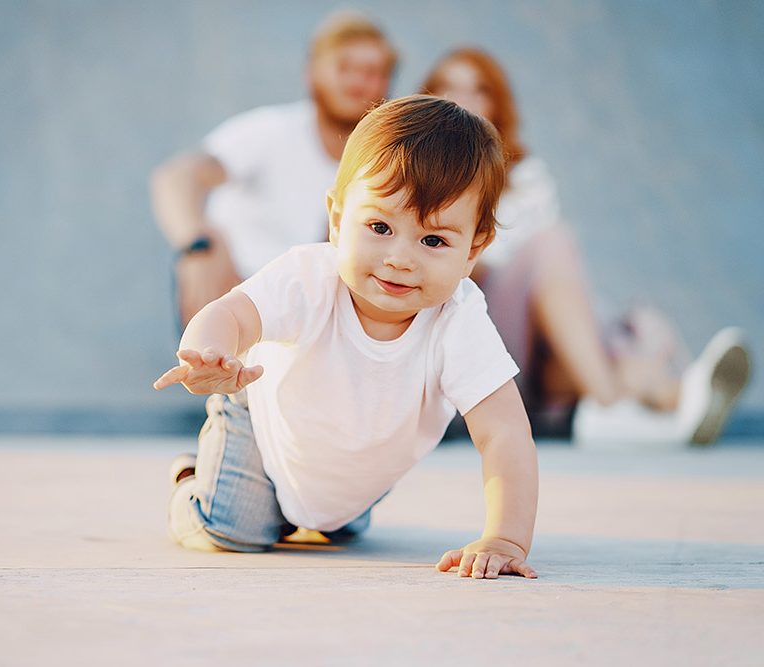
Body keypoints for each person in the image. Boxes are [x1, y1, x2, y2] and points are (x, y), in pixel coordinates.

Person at [154, 95, 539, 579]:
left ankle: (313, 512)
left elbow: (504, 432)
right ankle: (192, 484)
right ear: (337, 220)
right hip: (265, 427)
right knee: (238, 529)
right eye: (379, 226)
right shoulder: (308, 278)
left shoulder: (458, 320)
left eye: (434, 240)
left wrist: (505, 537)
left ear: (473, 251)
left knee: (337, 528)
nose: (400, 257)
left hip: (353, 470)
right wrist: (210, 352)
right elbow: (232, 313)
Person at [421, 47, 751, 445]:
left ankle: (672, 401)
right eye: (449, 88)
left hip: (536, 359)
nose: (463, 100)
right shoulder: (419, 174)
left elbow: (552, 289)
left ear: (496, 101)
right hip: (474, 334)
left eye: (477, 89)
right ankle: (640, 401)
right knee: (553, 242)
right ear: (430, 97)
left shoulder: (525, 179)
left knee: (565, 293)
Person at [150, 10, 396, 327]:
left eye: (373, 71)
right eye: (344, 67)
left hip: (315, 313)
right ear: (311, 73)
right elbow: (177, 177)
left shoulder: (389, 160)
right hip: (232, 292)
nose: (358, 81)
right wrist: (198, 244)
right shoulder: (271, 131)